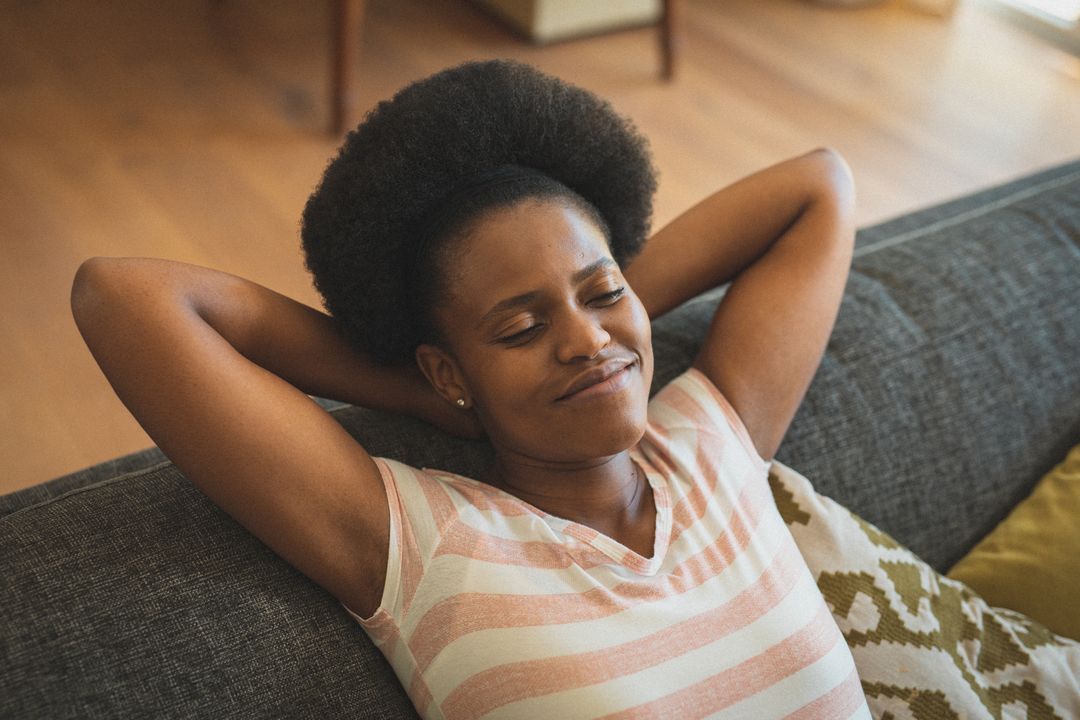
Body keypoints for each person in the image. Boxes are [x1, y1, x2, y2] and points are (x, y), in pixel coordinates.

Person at [71, 60, 867, 718]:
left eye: (605, 293)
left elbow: (819, 186)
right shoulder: (425, 550)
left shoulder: (713, 442)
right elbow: (125, 297)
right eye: (518, 329)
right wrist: (414, 390)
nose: (586, 339)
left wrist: (599, 321)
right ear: (447, 367)